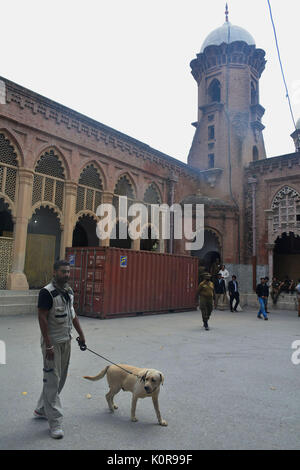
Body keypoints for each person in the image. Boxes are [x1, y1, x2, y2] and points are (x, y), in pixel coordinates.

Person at [34, 260, 86, 439]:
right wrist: (48, 343)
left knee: (60, 378)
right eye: (63, 272)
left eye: (68, 272)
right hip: (53, 343)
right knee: (52, 379)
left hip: (66, 341)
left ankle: (42, 408)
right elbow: (41, 317)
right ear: (55, 272)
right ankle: (55, 422)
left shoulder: (68, 291)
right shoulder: (46, 292)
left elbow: (73, 314)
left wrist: (81, 334)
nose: (67, 275)